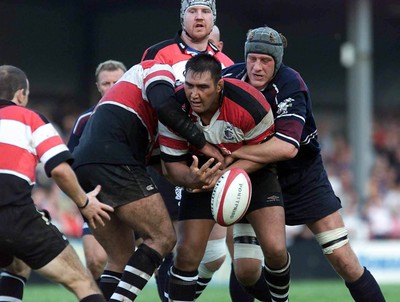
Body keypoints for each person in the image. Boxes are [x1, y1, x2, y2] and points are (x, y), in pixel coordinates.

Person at [222, 26, 386, 302]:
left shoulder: (290, 84)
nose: (257, 67)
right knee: (246, 271)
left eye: (265, 61)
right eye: (252, 59)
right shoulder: (228, 80)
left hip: (302, 177)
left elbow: (286, 148)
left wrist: (233, 159)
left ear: (277, 63)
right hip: (256, 178)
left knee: (344, 260)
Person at [71, 59, 223, 302]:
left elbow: (162, 167)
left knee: (120, 258)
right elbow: (164, 104)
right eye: (189, 87)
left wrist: (192, 180)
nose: (193, 96)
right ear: (179, 79)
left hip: (86, 166)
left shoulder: (149, 122)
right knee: (163, 237)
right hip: (114, 158)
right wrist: (203, 143)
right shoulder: (157, 69)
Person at [159, 54, 290, 302]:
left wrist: (224, 174)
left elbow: (265, 154)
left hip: (255, 173)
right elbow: (171, 167)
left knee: (275, 249)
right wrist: (193, 180)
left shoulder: (251, 104)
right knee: (186, 254)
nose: (194, 94)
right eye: (189, 85)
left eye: (202, 87)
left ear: (219, 85)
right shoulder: (174, 108)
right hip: (201, 178)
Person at [141, 1, 233, 299]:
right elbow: (150, 102)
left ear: (213, 19)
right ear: (183, 17)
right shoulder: (160, 53)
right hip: (165, 160)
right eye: (193, 11)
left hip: (210, 164)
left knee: (209, 252)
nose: (199, 17)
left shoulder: (228, 64)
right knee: (167, 239)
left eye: (205, 12)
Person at [0, 64, 113, 302]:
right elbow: (60, 170)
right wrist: (84, 203)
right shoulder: (30, 119)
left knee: (17, 266)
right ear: (21, 94)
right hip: (16, 217)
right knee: (83, 282)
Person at [67, 60, 127, 282]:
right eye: (106, 83)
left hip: (137, 197)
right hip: (99, 200)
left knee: (156, 258)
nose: (111, 87)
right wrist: (82, 195)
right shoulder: (84, 121)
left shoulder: (142, 117)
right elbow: (68, 162)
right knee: (95, 260)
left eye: (117, 82)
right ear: (98, 86)